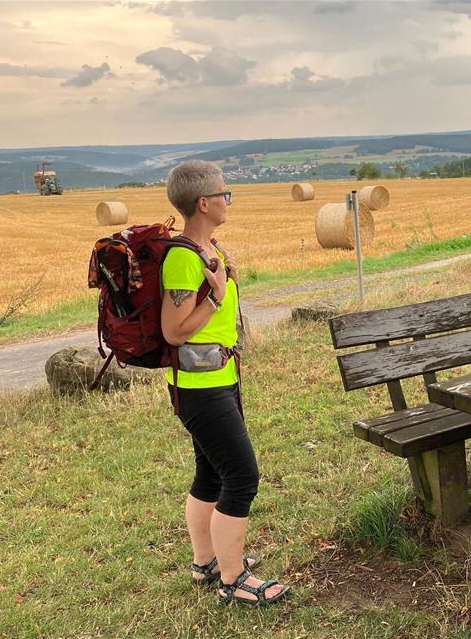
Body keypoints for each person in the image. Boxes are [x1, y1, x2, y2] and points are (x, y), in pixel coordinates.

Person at [161, 160, 289, 606]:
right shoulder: (183, 259)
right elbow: (173, 331)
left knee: (211, 472)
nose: (228, 200)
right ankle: (233, 580)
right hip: (200, 387)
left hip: (219, 377)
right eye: (224, 194)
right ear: (204, 202)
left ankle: (207, 562)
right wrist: (216, 296)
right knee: (242, 475)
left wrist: (225, 279)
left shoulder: (207, 248)